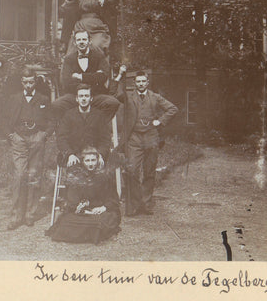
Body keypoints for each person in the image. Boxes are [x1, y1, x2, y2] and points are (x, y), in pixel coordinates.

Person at [120, 71, 178, 216]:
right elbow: (115, 95)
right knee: (132, 170)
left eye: (143, 81)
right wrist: (118, 76)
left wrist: (160, 121)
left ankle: (145, 204)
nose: (140, 84)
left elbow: (173, 109)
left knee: (149, 171)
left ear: (147, 82)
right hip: (134, 137)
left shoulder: (155, 97)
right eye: (138, 81)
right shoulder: (129, 96)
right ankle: (134, 204)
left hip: (151, 136)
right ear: (135, 83)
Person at [4, 68, 52, 230]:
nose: (28, 85)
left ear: (35, 81)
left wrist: (44, 135)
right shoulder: (14, 98)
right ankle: (16, 216)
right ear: (22, 83)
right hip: (19, 138)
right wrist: (11, 135)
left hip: (37, 138)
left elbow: (52, 119)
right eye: (25, 82)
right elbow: (4, 118)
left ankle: (30, 214)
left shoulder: (43, 99)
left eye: (31, 81)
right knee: (19, 175)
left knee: (34, 175)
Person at [46, 146, 121, 244]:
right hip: (84, 212)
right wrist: (82, 208)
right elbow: (72, 201)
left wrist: (103, 207)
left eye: (93, 160)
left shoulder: (105, 176)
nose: (91, 164)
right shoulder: (77, 177)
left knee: (104, 220)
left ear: (98, 161)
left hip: (101, 211)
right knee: (66, 221)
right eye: (87, 160)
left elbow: (113, 199)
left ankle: (89, 232)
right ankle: (91, 233)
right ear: (83, 161)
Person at [52, 29, 120, 122]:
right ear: (75, 43)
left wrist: (80, 77)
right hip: (75, 96)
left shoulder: (99, 56)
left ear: (89, 41)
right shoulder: (69, 59)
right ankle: (68, 130)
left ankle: (97, 125)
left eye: (84, 39)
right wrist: (93, 77)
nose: (81, 42)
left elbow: (103, 77)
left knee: (113, 103)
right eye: (78, 40)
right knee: (57, 105)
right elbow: (66, 81)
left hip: (95, 95)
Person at [57, 84, 112, 168]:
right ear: (77, 99)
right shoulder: (68, 115)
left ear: (91, 98)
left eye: (86, 96)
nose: (83, 99)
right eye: (81, 96)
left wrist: (100, 154)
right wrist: (70, 154)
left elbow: (105, 139)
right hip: (75, 155)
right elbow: (61, 138)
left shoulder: (99, 115)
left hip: (94, 155)